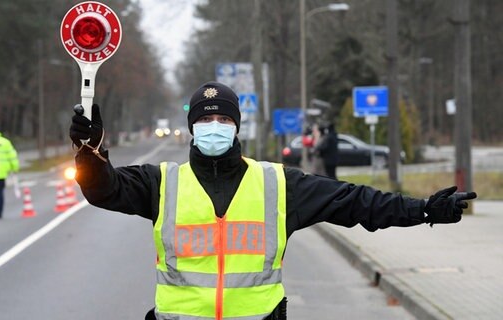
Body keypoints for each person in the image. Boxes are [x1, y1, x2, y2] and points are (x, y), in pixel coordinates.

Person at [69, 81, 476, 320]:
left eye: (224, 119)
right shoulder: (161, 182)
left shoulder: (278, 183)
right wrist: (90, 152)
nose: (215, 127)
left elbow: (357, 203)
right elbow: (104, 189)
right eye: (206, 120)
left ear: (236, 126)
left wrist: (423, 210)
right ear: (192, 127)